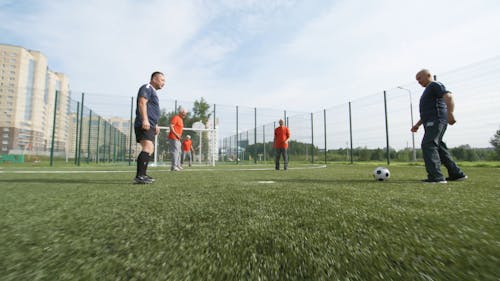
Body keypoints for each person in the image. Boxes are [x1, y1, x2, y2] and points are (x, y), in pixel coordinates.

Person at [411, 69, 467, 183]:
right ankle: (456, 174)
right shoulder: (428, 90)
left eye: (419, 78)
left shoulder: (435, 85)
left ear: (428, 75)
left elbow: (449, 96)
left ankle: (436, 177)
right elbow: (428, 111)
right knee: (439, 147)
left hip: (436, 120)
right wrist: (417, 125)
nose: (418, 82)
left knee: (428, 144)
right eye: (417, 80)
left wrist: (450, 113)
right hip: (431, 121)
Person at [133, 71, 165, 184]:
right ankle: (139, 176)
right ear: (154, 79)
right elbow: (142, 103)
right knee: (148, 147)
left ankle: (143, 174)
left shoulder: (153, 92)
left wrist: (155, 124)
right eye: (162, 80)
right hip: (144, 123)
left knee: (150, 149)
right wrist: (145, 120)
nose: (164, 83)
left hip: (150, 124)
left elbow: (152, 109)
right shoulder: (147, 87)